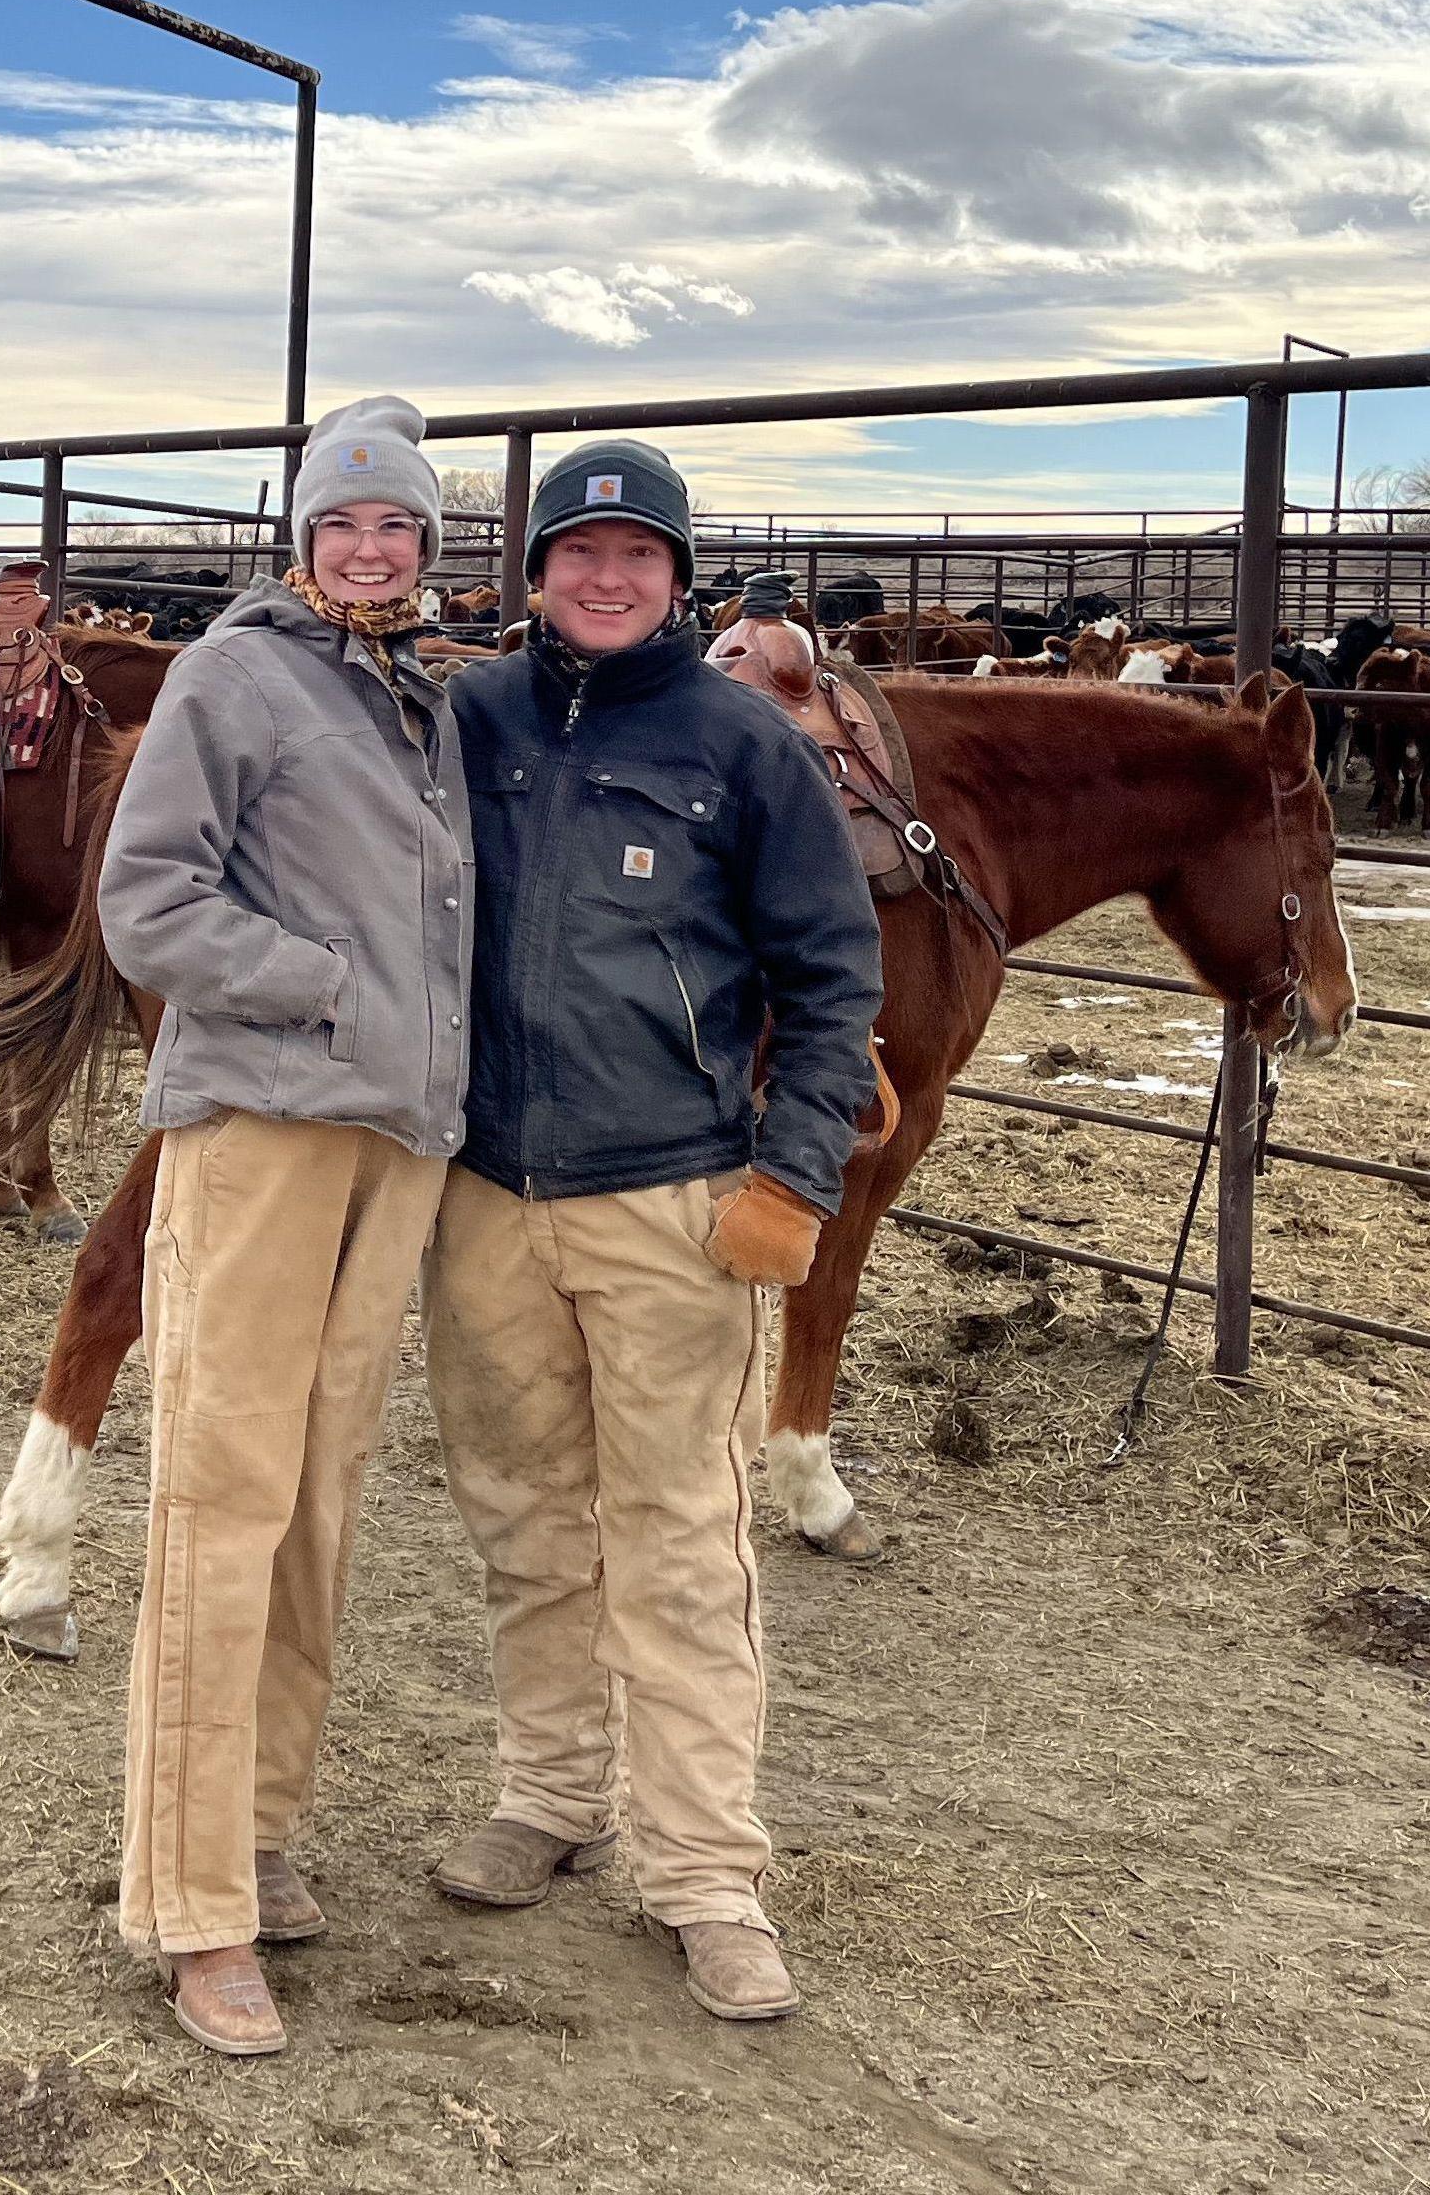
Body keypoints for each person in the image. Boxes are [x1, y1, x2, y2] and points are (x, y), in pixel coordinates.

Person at [428, 439, 883, 2024]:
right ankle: (549, 1793)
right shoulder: (464, 718)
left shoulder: (741, 746)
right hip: (485, 1194)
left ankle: (702, 1870)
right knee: (522, 1511)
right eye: (580, 551)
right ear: (534, 571)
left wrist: (796, 1172)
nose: (608, 577)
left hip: (671, 1199)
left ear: (681, 578)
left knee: (684, 1538)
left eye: (640, 554)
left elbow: (835, 976)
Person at [95, 394, 472, 2057]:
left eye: (398, 524)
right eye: (345, 520)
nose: (371, 546)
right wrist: (318, 991)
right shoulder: (233, 677)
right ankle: (191, 1905)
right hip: (262, 1123)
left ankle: (263, 1820)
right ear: (302, 534)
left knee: (320, 1486)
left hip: (395, 1140)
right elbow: (147, 898)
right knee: (223, 1482)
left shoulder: (425, 699)